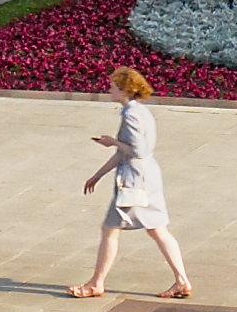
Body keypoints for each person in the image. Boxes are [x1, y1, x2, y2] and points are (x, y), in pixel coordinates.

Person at [71, 67, 193, 300]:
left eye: (113, 87)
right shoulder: (141, 111)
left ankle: (96, 283)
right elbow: (127, 153)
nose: (109, 90)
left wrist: (112, 141)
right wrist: (98, 174)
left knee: (110, 229)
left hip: (134, 180)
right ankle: (182, 281)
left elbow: (136, 150)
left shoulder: (131, 115)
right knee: (158, 229)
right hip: (148, 176)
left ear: (124, 90)